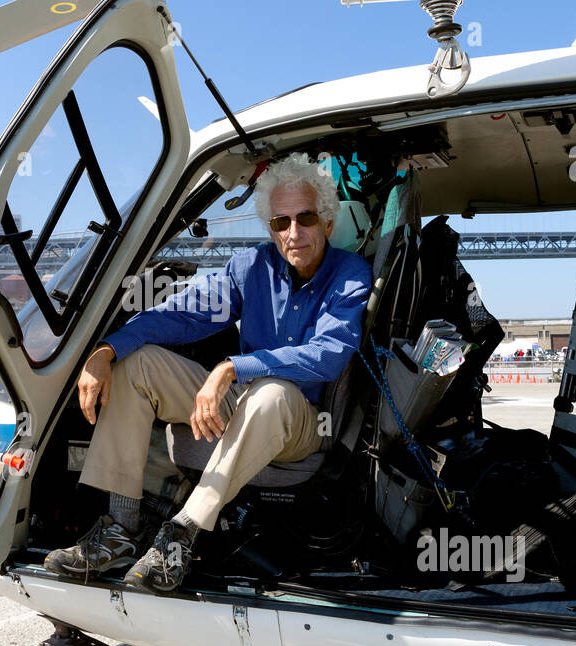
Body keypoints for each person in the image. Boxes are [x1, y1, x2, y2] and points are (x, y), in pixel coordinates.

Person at [44, 153, 372, 593]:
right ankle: (121, 530)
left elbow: (327, 355)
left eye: (306, 218)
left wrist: (231, 367)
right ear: (270, 229)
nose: (293, 233)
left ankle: (182, 533)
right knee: (136, 363)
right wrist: (105, 349)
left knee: (271, 393)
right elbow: (179, 314)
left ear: (328, 223)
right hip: (244, 399)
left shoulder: (350, 274)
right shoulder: (250, 268)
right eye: (280, 223)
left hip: (302, 421)